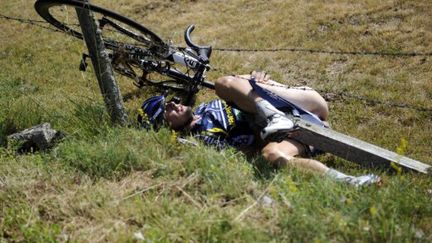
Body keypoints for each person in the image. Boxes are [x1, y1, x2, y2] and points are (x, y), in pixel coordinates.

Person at [138, 71, 381, 186]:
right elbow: (247, 154)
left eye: (171, 100)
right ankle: (350, 182)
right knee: (272, 155)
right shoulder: (202, 142)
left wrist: (256, 80)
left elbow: (238, 83)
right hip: (295, 132)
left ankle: (273, 114)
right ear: (165, 126)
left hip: (301, 104)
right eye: (166, 108)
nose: (174, 103)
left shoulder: (207, 106)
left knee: (224, 83)